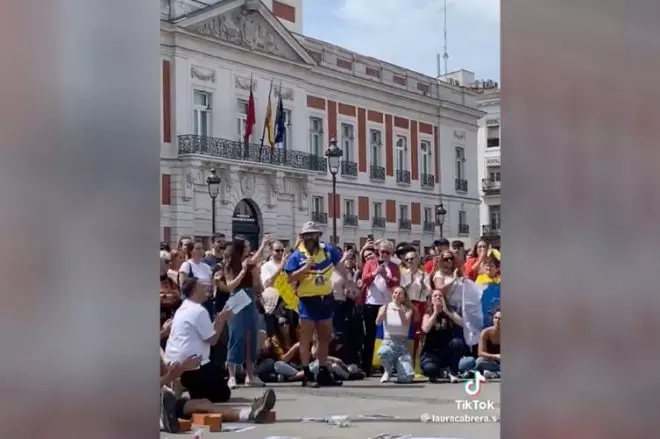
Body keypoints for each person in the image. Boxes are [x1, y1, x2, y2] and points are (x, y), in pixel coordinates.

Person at [283, 221, 348, 387]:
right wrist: (305, 268)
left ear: (318, 235)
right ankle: (306, 373)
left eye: (313, 234)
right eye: (307, 235)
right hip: (307, 301)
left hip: (325, 298)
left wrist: (350, 283)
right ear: (303, 237)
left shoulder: (328, 250)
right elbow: (289, 278)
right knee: (306, 339)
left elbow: (340, 267)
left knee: (324, 337)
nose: (311, 238)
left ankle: (323, 370)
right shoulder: (296, 255)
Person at [159, 349, 277, 433]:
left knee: (203, 403)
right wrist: (169, 377)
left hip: (164, 399)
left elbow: (171, 377)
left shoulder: (157, 351)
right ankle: (164, 420)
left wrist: (183, 368)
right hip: (147, 404)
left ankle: (250, 413)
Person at [164, 278, 233, 402]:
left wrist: (218, 322)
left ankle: (182, 383)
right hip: (194, 364)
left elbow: (204, 333)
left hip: (175, 360)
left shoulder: (182, 309)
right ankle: (184, 384)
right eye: (202, 287)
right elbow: (212, 340)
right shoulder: (198, 310)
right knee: (223, 395)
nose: (206, 289)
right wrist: (222, 321)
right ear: (195, 290)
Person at [217, 235, 269, 388]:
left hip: (249, 297)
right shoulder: (229, 265)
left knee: (250, 337)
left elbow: (256, 284)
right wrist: (243, 271)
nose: (248, 249)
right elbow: (231, 286)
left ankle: (250, 375)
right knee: (236, 336)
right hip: (237, 297)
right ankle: (231, 376)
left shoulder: (250, 264)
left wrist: (256, 275)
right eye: (246, 246)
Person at [360, 240, 400, 376]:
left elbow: (396, 282)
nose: (384, 255)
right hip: (371, 303)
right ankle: (366, 366)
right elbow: (364, 279)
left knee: (386, 336)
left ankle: (386, 366)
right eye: (382, 251)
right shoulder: (370, 263)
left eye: (388, 252)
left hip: (387, 304)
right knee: (369, 336)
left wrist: (386, 277)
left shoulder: (394, 266)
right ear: (378, 251)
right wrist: (374, 273)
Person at [419, 290, 469, 383]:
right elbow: (425, 329)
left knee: (458, 342)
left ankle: (453, 372)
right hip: (431, 353)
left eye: (440, 296)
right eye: (435, 296)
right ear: (431, 300)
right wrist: (435, 313)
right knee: (431, 370)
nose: (438, 297)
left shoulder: (450, 312)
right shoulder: (427, 314)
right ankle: (440, 372)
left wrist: (446, 311)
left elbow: (462, 323)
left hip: (446, 350)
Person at [376, 286, 415, 384]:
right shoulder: (384, 307)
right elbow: (377, 322)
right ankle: (388, 370)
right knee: (383, 352)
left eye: (399, 293)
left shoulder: (408, 310)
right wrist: (381, 316)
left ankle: (400, 368)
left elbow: (405, 322)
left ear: (404, 297)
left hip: (401, 345)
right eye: (395, 292)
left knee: (406, 378)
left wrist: (399, 310)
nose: (396, 295)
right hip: (388, 342)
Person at [400, 250, 430, 367]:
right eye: (407, 259)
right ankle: (407, 364)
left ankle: (418, 364)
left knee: (419, 335)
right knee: (408, 334)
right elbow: (401, 291)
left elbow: (428, 291)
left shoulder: (424, 275)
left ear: (418, 260)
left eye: (412, 259)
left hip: (421, 305)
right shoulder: (403, 274)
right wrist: (409, 283)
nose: (409, 261)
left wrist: (422, 284)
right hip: (408, 305)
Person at [178, 241, 214, 318]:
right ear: (191, 251)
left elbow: (212, 285)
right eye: (197, 249)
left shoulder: (206, 267)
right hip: (193, 302)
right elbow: (183, 286)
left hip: (207, 302)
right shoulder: (186, 265)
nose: (201, 251)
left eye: (202, 248)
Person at [476, 309, 501, 378]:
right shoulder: (485, 332)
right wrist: (495, 356)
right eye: (495, 318)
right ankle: (497, 373)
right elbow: (480, 353)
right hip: (489, 361)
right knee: (479, 362)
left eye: (500, 319)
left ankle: (495, 373)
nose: (497, 321)